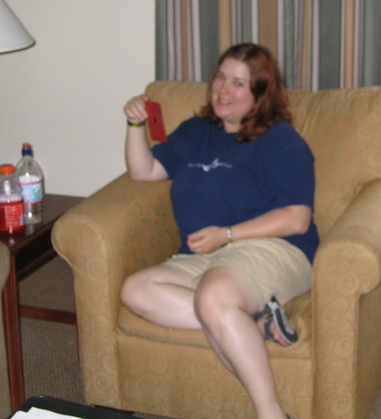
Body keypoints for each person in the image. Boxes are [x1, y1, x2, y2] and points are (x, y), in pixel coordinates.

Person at [120, 43, 319, 419]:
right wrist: (135, 125)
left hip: (273, 247)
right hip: (203, 253)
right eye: (220, 78)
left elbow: (298, 218)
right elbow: (143, 171)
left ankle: (272, 414)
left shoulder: (281, 141)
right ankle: (250, 323)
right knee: (136, 289)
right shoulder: (195, 131)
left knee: (213, 295)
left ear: (260, 94)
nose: (223, 90)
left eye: (238, 83)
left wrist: (226, 235)